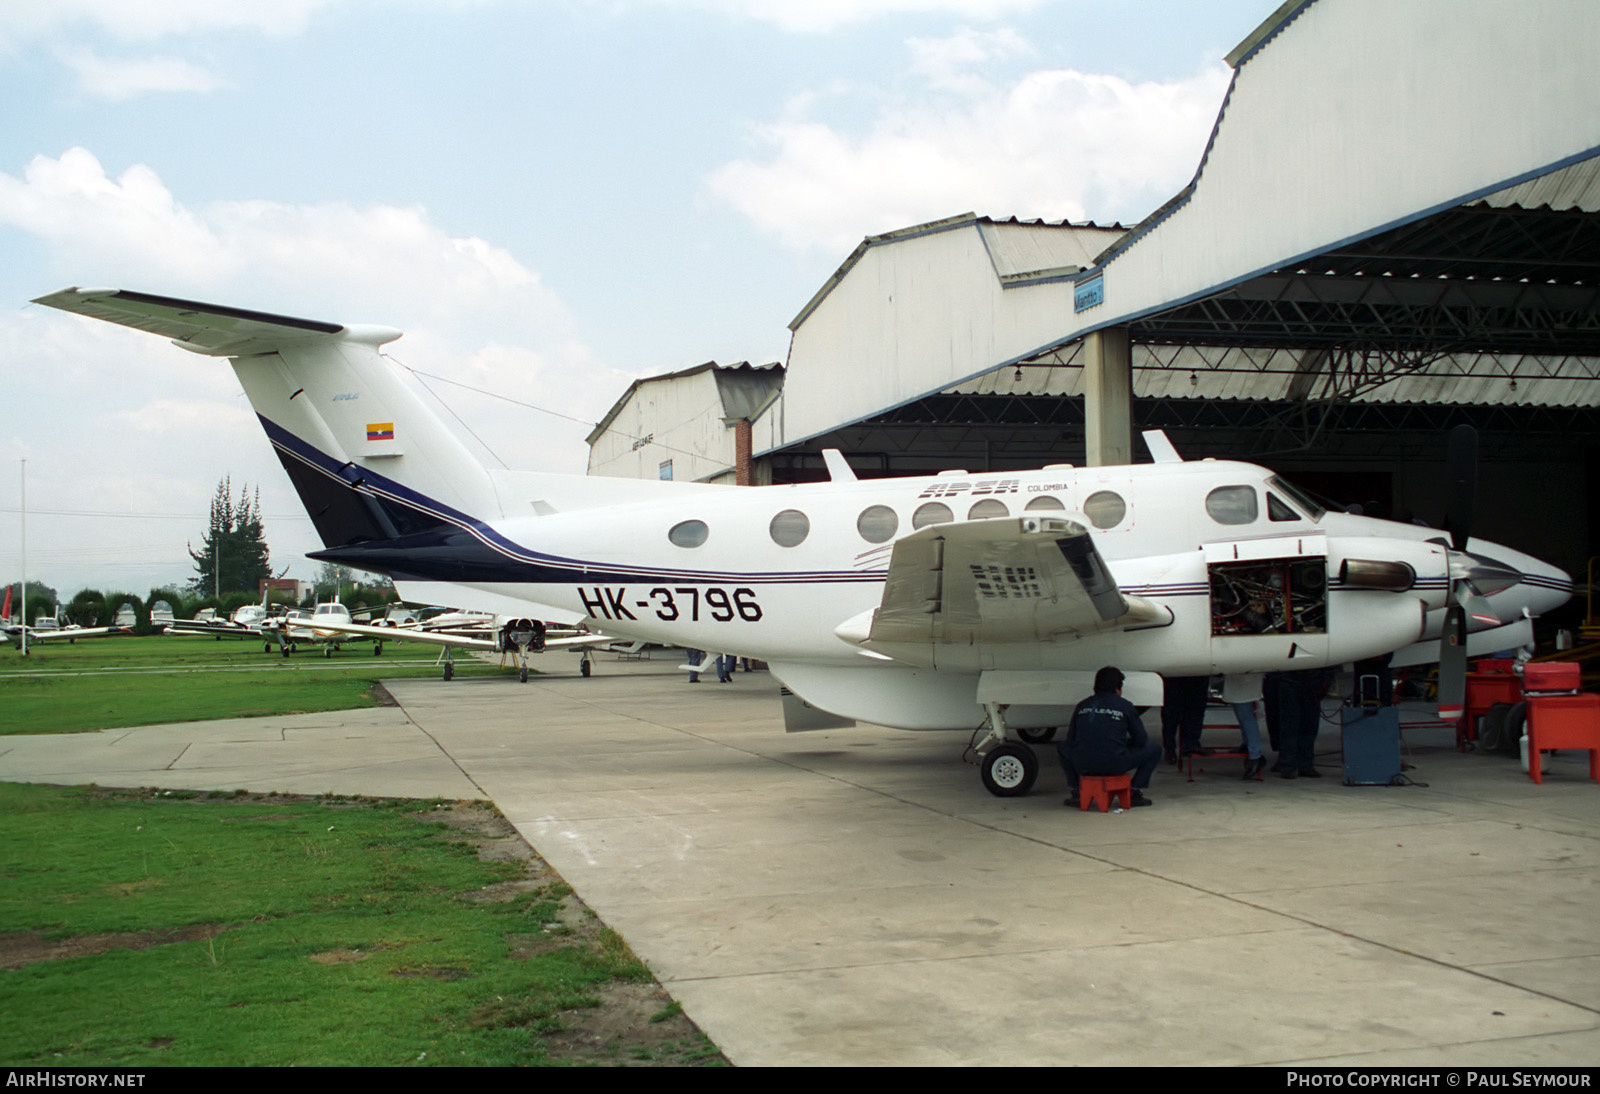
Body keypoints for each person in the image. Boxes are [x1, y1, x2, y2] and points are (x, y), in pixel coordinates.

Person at [1059, 666, 1162, 808]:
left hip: (1083, 764)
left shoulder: (1082, 705)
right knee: (1154, 748)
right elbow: (1141, 740)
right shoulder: (1125, 706)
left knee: (1062, 748)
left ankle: (1077, 791)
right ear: (1118, 688)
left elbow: (1070, 740)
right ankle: (1134, 791)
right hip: (1115, 764)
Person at [1221, 673, 1267, 779]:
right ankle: (1248, 745)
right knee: (1243, 713)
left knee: (1245, 715)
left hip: (1246, 676)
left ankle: (1255, 756)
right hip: (1240, 676)